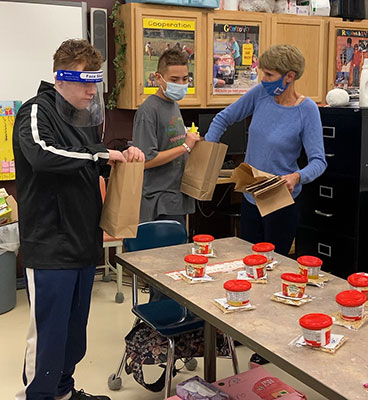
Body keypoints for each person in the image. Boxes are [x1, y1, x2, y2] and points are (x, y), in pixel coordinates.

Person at [13, 39, 144, 400]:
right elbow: (44, 155)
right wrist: (100, 154)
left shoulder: (81, 117)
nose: (92, 90)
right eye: (85, 81)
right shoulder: (35, 112)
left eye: (95, 82)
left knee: (73, 335)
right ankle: (39, 396)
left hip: (83, 240)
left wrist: (120, 155)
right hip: (51, 245)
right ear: (62, 78)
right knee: (48, 337)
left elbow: (88, 156)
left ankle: (63, 392)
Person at [205, 44, 327, 256]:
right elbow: (223, 118)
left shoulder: (307, 110)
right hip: (252, 197)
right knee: (249, 264)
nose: (264, 79)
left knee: (273, 266)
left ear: (289, 76)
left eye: (270, 75)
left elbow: (319, 161)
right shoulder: (260, 94)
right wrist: (207, 151)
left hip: (281, 203)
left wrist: (297, 176)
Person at [132, 48, 200, 225]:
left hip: (177, 198)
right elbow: (145, 161)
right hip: (159, 202)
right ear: (158, 78)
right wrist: (184, 147)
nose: (181, 84)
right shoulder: (148, 111)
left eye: (185, 79)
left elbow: (169, 143)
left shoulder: (173, 104)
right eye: (174, 80)